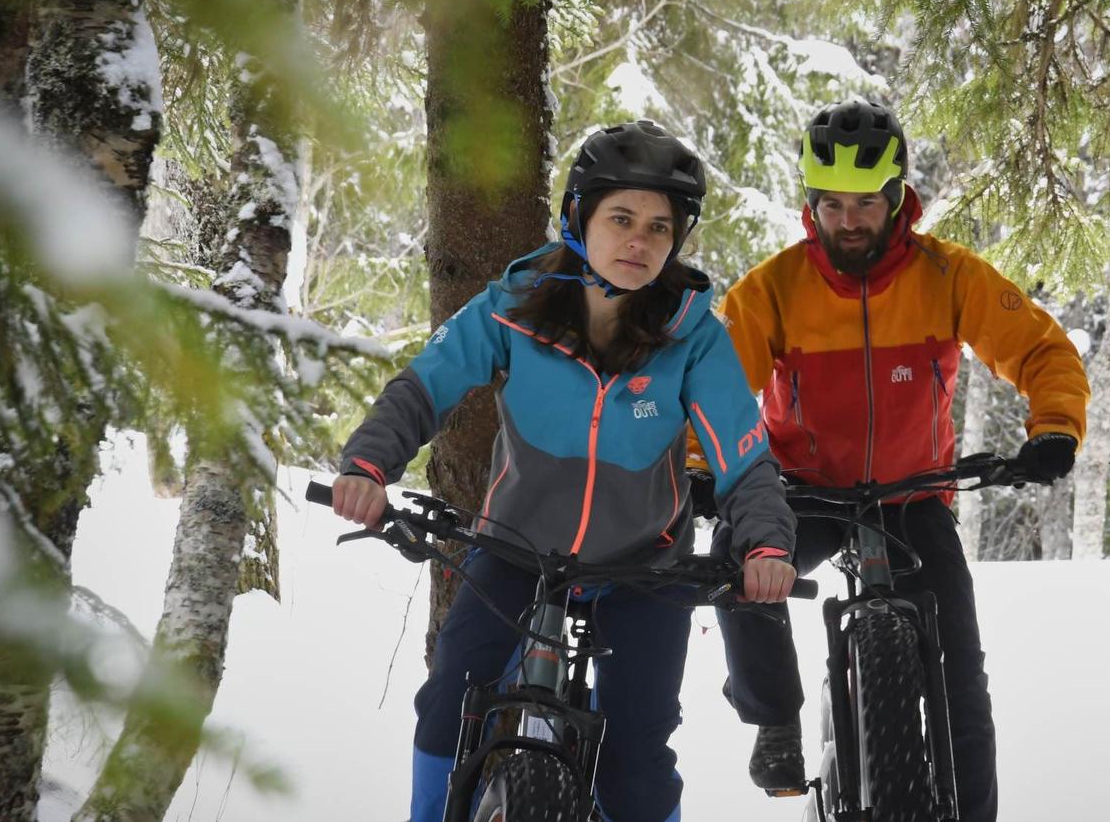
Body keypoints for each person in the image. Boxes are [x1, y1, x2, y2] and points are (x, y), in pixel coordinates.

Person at [330, 120, 798, 822]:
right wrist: (368, 464)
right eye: (621, 219)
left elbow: (744, 456)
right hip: (517, 550)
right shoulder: (515, 306)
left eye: (659, 228)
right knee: (451, 706)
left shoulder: (695, 336)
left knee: (637, 763)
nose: (639, 242)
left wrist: (765, 544)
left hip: (646, 568)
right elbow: (424, 387)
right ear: (579, 216)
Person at [691, 99, 1089, 821]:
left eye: (866, 204)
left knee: (962, 683)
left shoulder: (948, 274)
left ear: (898, 197)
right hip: (806, 493)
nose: (849, 221)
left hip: (913, 496)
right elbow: (713, 391)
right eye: (833, 205)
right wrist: (698, 466)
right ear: (812, 203)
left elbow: (1040, 349)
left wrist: (1055, 427)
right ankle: (775, 718)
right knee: (736, 560)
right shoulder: (774, 287)